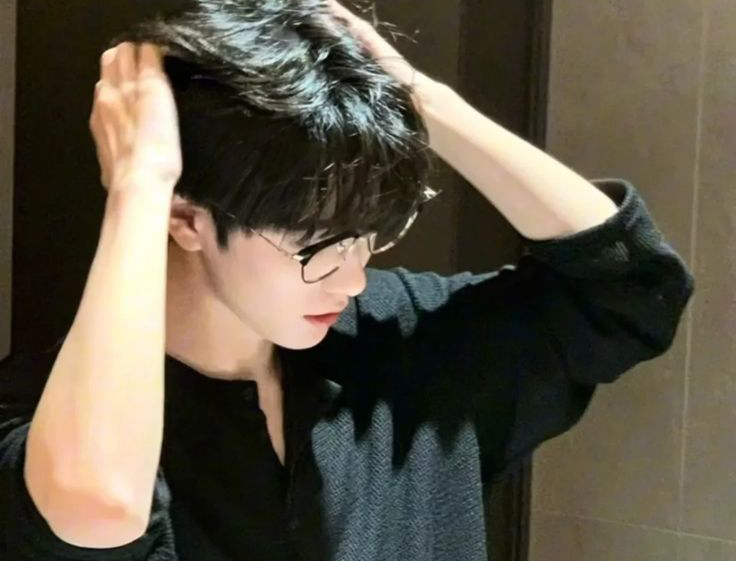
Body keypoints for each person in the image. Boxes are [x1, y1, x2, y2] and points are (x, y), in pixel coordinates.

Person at [0, 1, 694, 560]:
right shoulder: (59, 420)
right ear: (186, 217)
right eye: (319, 245)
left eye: (370, 236)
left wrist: (421, 100)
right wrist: (140, 183)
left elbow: (628, 286)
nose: (354, 278)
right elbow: (99, 508)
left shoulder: (399, 342)